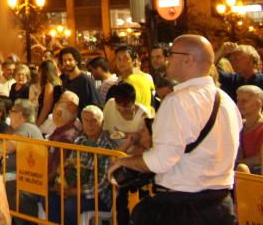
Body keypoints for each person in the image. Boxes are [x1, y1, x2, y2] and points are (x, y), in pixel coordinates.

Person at [108, 34, 240, 224]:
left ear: (189, 59)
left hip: (182, 208)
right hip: (221, 207)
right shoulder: (226, 101)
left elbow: (161, 160)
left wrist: (124, 162)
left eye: (171, 54)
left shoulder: (178, 101)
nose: (166, 59)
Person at [50, 105, 116, 225]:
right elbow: (69, 167)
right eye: (86, 120)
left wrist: (74, 192)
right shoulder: (79, 141)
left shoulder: (107, 147)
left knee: (70, 206)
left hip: (98, 197)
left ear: (102, 123)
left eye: (94, 121)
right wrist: (61, 185)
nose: (90, 124)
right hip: (74, 190)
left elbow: (102, 183)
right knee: (50, 199)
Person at [102, 82, 150, 150]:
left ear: (133, 102)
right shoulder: (110, 104)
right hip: (110, 148)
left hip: (132, 152)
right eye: (118, 105)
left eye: (126, 106)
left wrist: (129, 136)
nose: (122, 109)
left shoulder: (143, 115)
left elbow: (146, 142)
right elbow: (104, 128)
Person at [58, 47, 100, 114]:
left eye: (70, 60)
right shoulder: (65, 79)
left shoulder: (85, 80)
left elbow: (95, 104)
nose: (67, 63)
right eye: (64, 60)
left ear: (76, 61)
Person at [114, 45, 155, 111]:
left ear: (133, 61)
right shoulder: (120, 80)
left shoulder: (142, 78)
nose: (121, 62)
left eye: (125, 59)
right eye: (119, 59)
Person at [236, 84, 263, 173]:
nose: (239, 104)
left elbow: (260, 159)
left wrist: (237, 164)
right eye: (238, 100)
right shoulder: (239, 125)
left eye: (244, 101)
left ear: (258, 103)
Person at [36, 59, 63, 128]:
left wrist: (38, 124)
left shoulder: (49, 85)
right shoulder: (58, 82)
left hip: (48, 120)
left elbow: (46, 108)